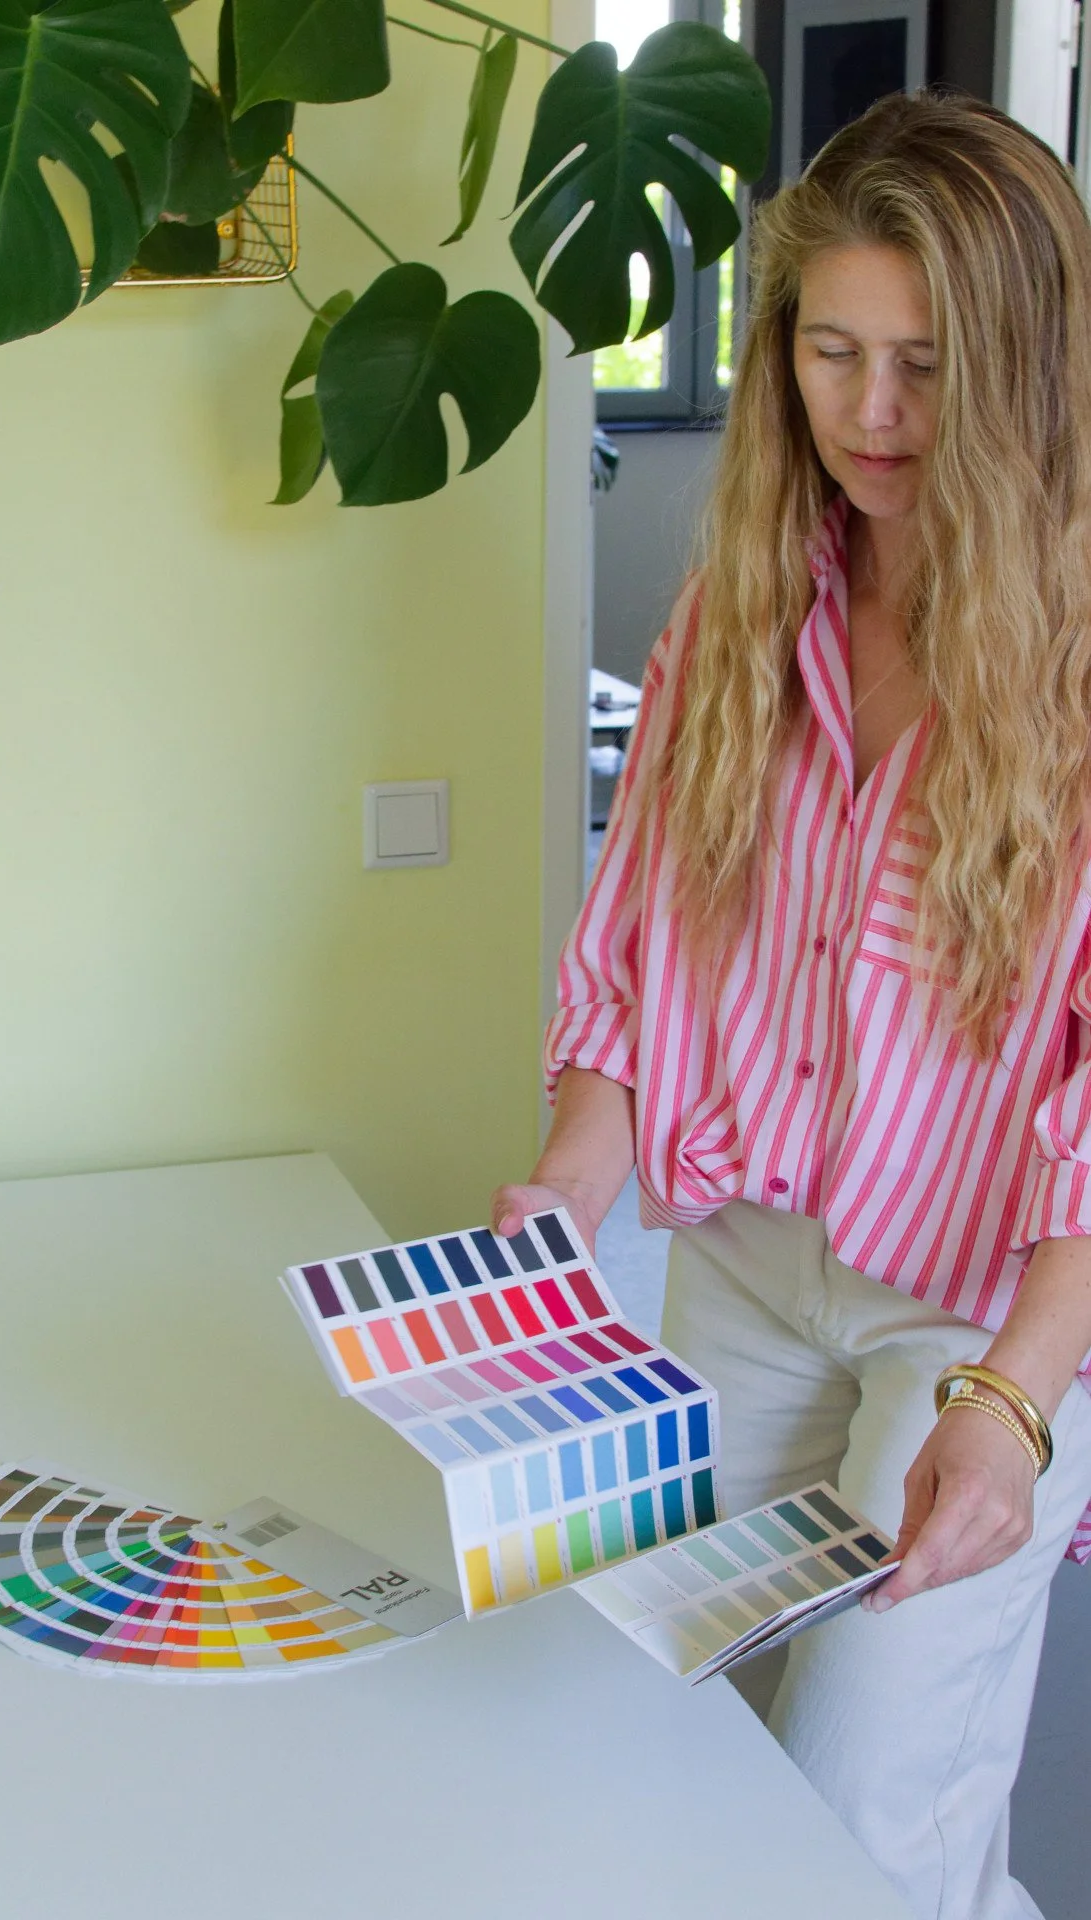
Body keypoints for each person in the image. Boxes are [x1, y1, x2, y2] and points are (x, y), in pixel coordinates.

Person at [491, 93, 1091, 1920]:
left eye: (924, 366)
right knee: (677, 1748)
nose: (873, 414)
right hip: (751, 1267)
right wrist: (566, 1190)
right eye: (830, 351)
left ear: (1026, 370)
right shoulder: (751, 609)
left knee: (858, 1818)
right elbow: (651, 942)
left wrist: (1016, 1407)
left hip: (985, 1320)